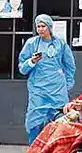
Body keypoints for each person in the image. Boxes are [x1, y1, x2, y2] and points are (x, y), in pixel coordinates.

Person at [17, 14, 76, 144]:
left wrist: (67, 84)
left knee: (60, 120)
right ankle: (33, 151)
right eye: (38, 26)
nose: (41, 29)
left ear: (49, 27)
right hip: (38, 88)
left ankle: (57, 151)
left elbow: (70, 65)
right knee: (35, 119)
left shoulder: (60, 44)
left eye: (43, 26)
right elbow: (22, 68)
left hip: (57, 89)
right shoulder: (31, 44)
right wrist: (31, 61)